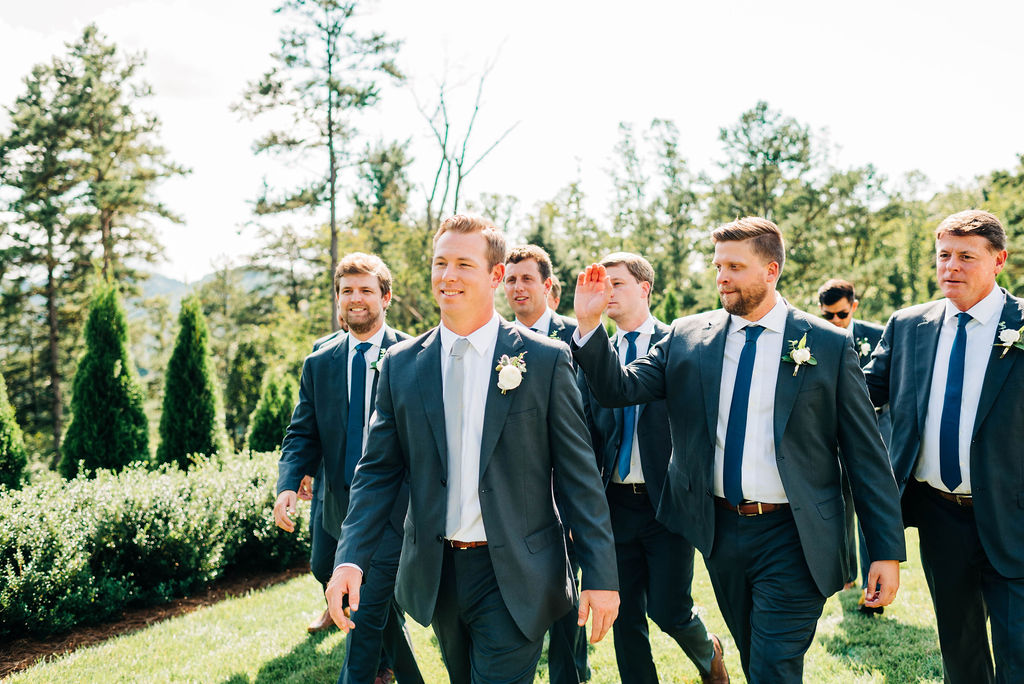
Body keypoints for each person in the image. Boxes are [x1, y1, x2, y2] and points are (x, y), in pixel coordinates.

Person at [572, 216, 905, 683]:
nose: (721, 277)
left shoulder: (826, 344)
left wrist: (885, 551)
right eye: (717, 266)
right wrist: (589, 326)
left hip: (796, 534)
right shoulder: (687, 336)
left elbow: (865, 454)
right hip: (720, 531)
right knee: (753, 658)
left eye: (734, 266)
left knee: (772, 667)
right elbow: (617, 389)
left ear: (771, 270)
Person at [326, 215, 619, 684]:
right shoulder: (401, 365)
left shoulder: (545, 360)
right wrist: (350, 557)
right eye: (440, 263)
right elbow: (377, 471)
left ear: (495, 275)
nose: (448, 275)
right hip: (438, 574)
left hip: (517, 572)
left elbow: (579, 475)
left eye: (464, 264)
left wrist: (601, 575)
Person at [863, 209, 1024, 683]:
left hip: (1014, 514)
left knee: (1019, 651)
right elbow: (860, 397)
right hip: (939, 515)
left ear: (999, 260)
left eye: (966, 257)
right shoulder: (908, 324)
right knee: (959, 644)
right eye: (943, 255)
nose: (950, 266)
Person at [577, 252, 728, 684]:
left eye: (617, 283)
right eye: (601, 284)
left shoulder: (682, 344)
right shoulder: (592, 350)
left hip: (668, 501)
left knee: (669, 609)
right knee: (622, 616)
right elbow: (587, 427)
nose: (607, 292)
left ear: (644, 288)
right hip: (613, 504)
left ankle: (709, 651)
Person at [274, 253, 422, 684]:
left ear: (386, 297)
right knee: (328, 570)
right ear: (337, 298)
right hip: (337, 502)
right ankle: (396, 668)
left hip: (395, 504)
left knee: (363, 605)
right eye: (347, 291)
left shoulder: (415, 355)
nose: (355, 299)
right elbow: (302, 431)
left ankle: (368, 672)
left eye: (365, 290)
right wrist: (288, 482)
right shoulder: (319, 363)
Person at [503, 245, 590, 684]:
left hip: (567, 489)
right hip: (515, 494)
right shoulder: (494, 342)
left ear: (547, 286)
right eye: (511, 280)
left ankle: (570, 673)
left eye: (527, 279)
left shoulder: (577, 337)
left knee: (567, 594)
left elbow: (594, 417)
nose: (518, 287)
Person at [817, 278, 890, 613]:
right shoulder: (813, 339)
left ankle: (870, 586)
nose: (835, 321)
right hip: (831, 437)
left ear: (854, 307)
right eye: (828, 315)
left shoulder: (879, 335)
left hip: (874, 433)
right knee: (841, 503)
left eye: (841, 314)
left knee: (867, 506)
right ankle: (847, 574)